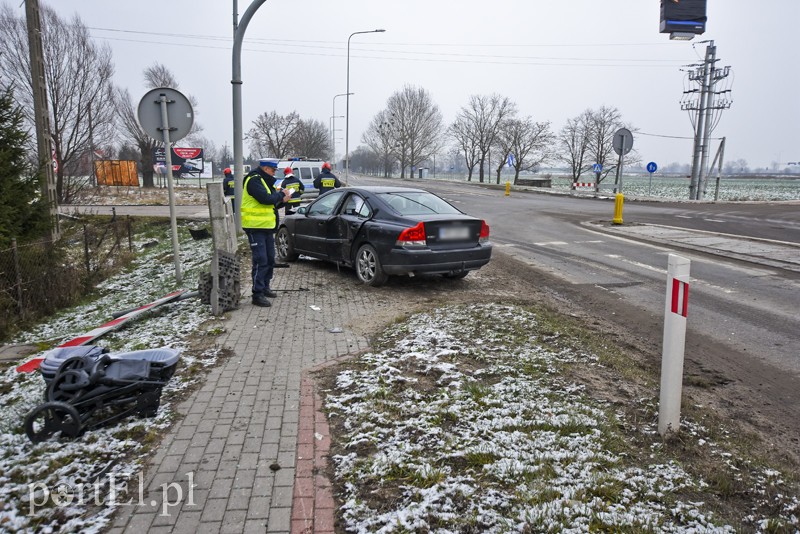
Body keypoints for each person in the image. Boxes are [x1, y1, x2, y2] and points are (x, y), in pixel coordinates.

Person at [241, 158, 292, 307]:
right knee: (260, 260)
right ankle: (257, 294)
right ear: (265, 168)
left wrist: (284, 199)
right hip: (254, 227)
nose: (274, 172)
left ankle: (265, 287)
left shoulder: (265, 181)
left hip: (266, 227)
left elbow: (273, 203)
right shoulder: (254, 180)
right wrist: (280, 195)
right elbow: (265, 199)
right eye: (273, 170)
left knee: (270, 259)